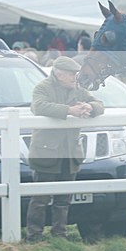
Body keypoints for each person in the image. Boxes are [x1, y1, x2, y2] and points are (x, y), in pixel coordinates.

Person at [26, 56, 104, 241]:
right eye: (71, 74)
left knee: (64, 200)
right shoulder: (43, 88)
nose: (74, 77)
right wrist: (70, 111)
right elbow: (39, 106)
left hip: (70, 154)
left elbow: (100, 105)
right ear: (59, 74)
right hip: (47, 153)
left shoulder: (79, 90)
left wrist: (89, 107)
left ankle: (59, 235)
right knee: (40, 199)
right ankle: (34, 236)